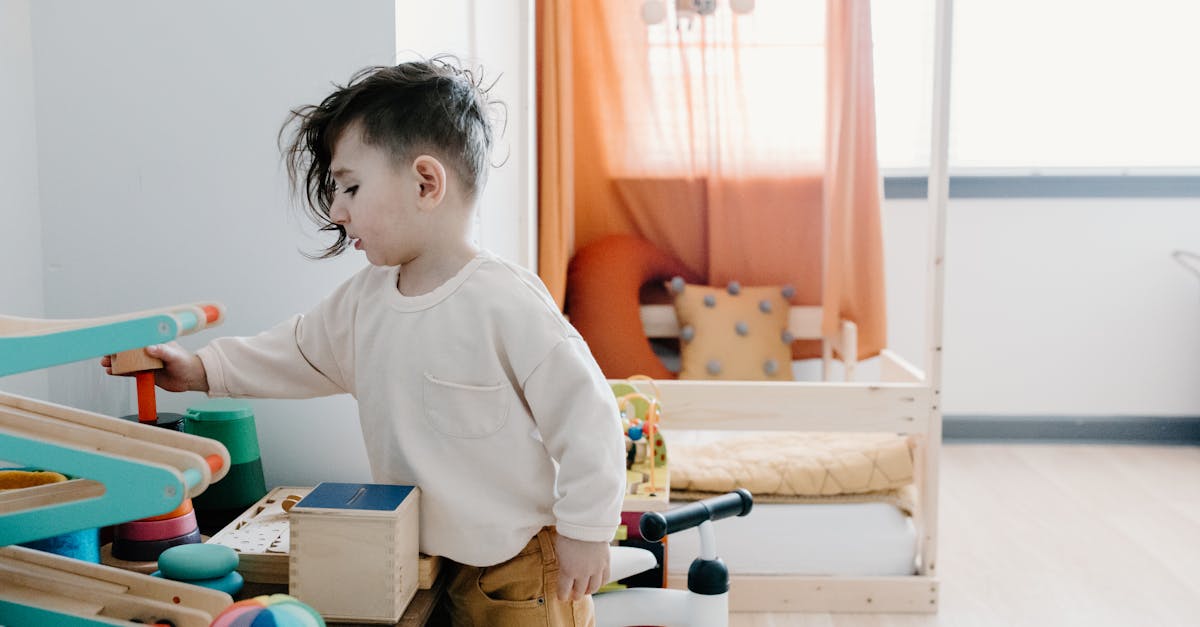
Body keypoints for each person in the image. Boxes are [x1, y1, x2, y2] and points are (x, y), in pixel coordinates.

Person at [103, 57, 625, 626]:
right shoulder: (365, 301)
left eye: (350, 186)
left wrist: (587, 531)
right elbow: (296, 351)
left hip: (519, 563)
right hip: (423, 553)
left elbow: (587, 419)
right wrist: (201, 369)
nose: (337, 210)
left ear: (426, 182)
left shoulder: (507, 303)